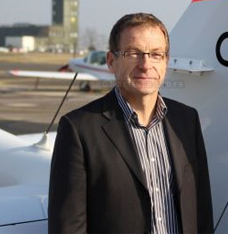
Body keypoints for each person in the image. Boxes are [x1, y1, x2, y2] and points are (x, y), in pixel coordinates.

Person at [48, 13, 213, 234]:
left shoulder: (186, 120)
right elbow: (68, 227)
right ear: (111, 61)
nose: (145, 65)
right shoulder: (79, 129)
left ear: (165, 61)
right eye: (133, 53)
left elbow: (201, 210)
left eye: (156, 54)